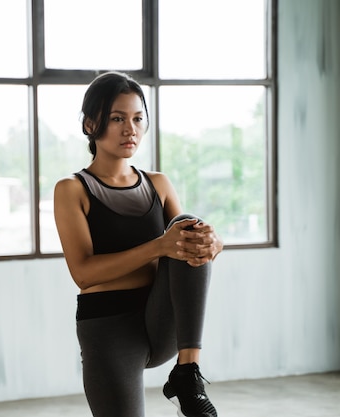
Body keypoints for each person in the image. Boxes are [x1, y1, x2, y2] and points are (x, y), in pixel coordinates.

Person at [53, 71, 223, 417]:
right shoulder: (71, 189)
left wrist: (212, 243)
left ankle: (187, 374)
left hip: (159, 317)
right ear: (90, 124)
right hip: (108, 326)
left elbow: (185, 244)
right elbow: (83, 274)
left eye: (137, 118)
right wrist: (159, 246)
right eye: (117, 118)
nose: (130, 129)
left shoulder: (159, 183)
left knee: (187, 224)